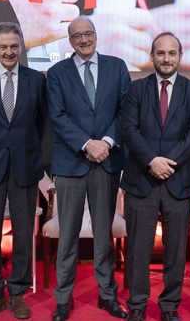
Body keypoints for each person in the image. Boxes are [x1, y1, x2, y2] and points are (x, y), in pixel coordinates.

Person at [47, 16, 131, 321]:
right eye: (77, 36)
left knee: (103, 235)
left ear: (96, 35)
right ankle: (63, 299)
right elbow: (57, 117)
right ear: (70, 41)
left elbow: (125, 111)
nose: (84, 40)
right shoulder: (56, 73)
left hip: (107, 161)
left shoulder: (117, 67)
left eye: (88, 34)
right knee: (67, 235)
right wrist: (87, 144)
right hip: (71, 163)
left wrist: (106, 142)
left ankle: (107, 295)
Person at [120, 33, 190, 321]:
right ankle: (137, 305)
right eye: (161, 53)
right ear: (152, 55)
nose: (166, 59)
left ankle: (169, 306)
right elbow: (129, 129)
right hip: (141, 180)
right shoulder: (136, 89)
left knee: (175, 251)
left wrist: (168, 163)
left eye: (171, 53)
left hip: (177, 179)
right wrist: (151, 161)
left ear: (180, 56)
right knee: (137, 250)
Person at [0, 23, 48, 320]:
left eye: (14, 46)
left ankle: (16, 292)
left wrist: (32, 156)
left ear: (21, 46)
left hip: (25, 169)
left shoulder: (36, 80)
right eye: (3, 46)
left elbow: (42, 126)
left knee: (23, 233)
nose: (9, 51)